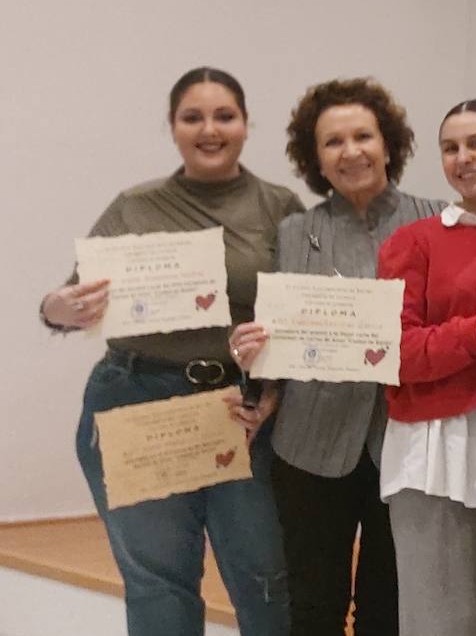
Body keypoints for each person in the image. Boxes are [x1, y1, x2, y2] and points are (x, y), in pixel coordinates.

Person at [39, 67, 301, 636]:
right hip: (136, 399)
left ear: (246, 124)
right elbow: (71, 297)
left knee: (265, 577)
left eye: (224, 116)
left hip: (243, 409)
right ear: (173, 127)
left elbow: (300, 317)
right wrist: (56, 307)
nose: (210, 129)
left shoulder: (281, 206)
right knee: (159, 582)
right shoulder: (135, 205)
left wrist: (275, 395)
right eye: (193, 117)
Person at [226, 78, 443, 636]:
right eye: (333, 142)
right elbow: (278, 334)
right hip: (311, 442)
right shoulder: (296, 231)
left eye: (363, 136)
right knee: (314, 602)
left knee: (389, 604)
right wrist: (254, 354)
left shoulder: (438, 220)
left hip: (409, 443)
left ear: (388, 144)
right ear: (315, 158)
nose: (351, 152)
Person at [375, 100, 476, 636]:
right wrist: (475, 331)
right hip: (432, 452)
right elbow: (392, 353)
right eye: (451, 148)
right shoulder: (414, 241)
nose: (463, 158)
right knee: (441, 618)